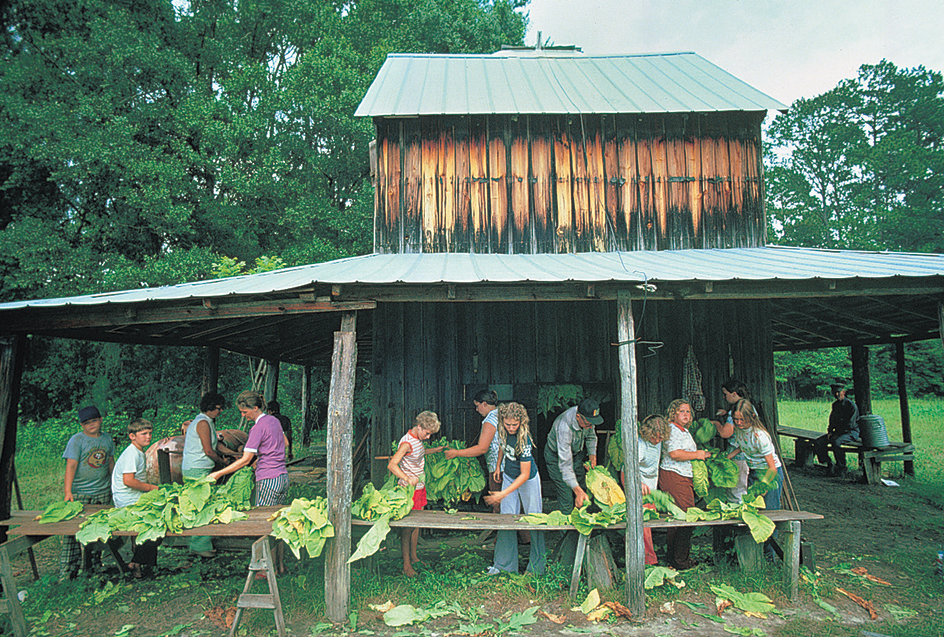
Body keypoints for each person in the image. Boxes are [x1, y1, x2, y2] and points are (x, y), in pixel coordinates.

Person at [209, 391, 291, 573]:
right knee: (278, 525)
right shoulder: (274, 421)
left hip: (268, 479)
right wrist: (267, 453)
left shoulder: (257, 428)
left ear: (255, 408)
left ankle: (265, 569)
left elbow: (246, 459)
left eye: (244, 412)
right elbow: (284, 442)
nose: (243, 416)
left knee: (264, 527)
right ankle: (280, 566)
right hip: (283, 477)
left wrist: (217, 474)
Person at [483, 402, 545, 575]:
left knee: (534, 519)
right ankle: (504, 565)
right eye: (507, 424)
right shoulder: (502, 429)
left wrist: (502, 493)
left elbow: (524, 475)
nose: (511, 428)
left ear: (521, 422)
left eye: (514, 425)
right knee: (506, 519)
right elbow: (503, 446)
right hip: (510, 474)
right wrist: (497, 466)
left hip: (528, 479)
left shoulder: (523, 439)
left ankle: (537, 567)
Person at [59, 405, 116, 580]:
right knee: (72, 532)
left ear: (100, 420)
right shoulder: (77, 441)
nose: (91, 425)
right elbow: (71, 465)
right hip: (81, 493)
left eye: (94, 421)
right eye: (86, 423)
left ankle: (94, 566)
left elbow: (111, 463)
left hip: (102, 491)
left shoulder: (107, 440)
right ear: (81, 425)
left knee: (98, 531)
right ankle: (68, 571)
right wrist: (68, 491)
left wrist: (114, 486)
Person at [544, 397, 603, 565]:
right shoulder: (564, 426)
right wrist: (576, 490)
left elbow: (591, 437)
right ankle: (566, 543)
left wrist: (592, 458)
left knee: (585, 489)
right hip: (557, 459)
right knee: (566, 495)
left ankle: (587, 532)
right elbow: (565, 465)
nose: (592, 425)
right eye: (589, 423)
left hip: (576, 454)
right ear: (579, 417)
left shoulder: (588, 419)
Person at [387, 410, 444, 577]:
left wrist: (436, 449)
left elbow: (420, 452)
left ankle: (414, 557)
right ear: (419, 427)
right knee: (407, 528)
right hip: (408, 491)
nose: (428, 437)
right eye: (427, 433)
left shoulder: (417, 440)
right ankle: (406, 565)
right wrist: (406, 477)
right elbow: (392, 465)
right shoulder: (406, 443)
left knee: (416, 523)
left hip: (420, 488)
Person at [659, 399, 710, 570]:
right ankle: (680, 561)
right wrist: (698, 454)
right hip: (674, 475)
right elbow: (674, 453)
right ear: (673, 413)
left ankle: (675, 558)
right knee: (686, 517)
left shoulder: (683, 430)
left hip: (682, 476)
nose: (686, 415)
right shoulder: (672, 429)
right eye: (682, 411)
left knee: (679, 517)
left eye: (688, 412)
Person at [181, 391, 231, 558]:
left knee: (200, 506)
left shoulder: (206, 422)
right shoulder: (203, 423)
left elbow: (215, 445)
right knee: (200, 508)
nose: (220, 411)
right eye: (219, 408)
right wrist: (223, 463)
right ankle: (200, 546)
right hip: (197, 470)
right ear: (210, 407)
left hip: (197, 468)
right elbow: (209, 450)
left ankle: (200, 543)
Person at [111, 418, 160, 578]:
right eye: (143, 434)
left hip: (134, 497)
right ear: (132, 436)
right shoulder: (132, 453)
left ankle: (139, 565)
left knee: (149, 529)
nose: (148, 437)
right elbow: (128, 481)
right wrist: (152, 488)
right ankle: (137, 562)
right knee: (156, 525)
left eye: (150, 433)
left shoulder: (138, 451)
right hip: (127, 500)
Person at [445, 390, 501, 511]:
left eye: (477, 406)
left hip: (497, 467)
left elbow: (482, 448)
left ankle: (501, 527)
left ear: (485, 404)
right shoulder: (502, 414)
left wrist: (456, 453)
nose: (476, 410)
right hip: (508, 465)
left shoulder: (490, 420)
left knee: (497, 502)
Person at [725, 399, 784, 510]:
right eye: (736, 419)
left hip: (769, 474)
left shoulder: (760, 437)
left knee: (769, 510)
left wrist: (764, 485)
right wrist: (728, 456)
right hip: (754, 471)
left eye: (742, 419)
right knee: (753, 508)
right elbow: (743, 446)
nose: (738, 423)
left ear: (752, 416)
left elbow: (773, 468)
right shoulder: (740, 430)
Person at [635, 414, 670, 566]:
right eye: (654, 438)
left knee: (649, 519)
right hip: (636, 481)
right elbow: (630, 467)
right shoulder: (640, 444)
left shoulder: (659, 441)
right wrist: (639, 483)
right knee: (644, 523)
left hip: (650, 484)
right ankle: (649, 561)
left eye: (660, 438)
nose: (657, 441)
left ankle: (637, 553)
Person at [712, 379, 753, 503]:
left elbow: (726, 433)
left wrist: (717, 424)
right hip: (746, 454)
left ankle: (738, 518)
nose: (724, 397)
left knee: (736, 490)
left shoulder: (735, 411)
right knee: (742, 487)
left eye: (726, 394)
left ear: (734, 394)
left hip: (738, 456)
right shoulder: (747, 406)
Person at [815, 384, 860, 475]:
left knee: (836, 442)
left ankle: (841, 467)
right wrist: (830, 432)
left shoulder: (851, 405)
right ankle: (829, 463)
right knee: (818, 442)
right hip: (838, 432)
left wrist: (837, 434)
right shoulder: (835, 405)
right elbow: (832, 420)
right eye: (834, 392)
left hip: (851, 432)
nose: (836, 394)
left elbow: (850, 424)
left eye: (838, 392)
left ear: (843, 392)